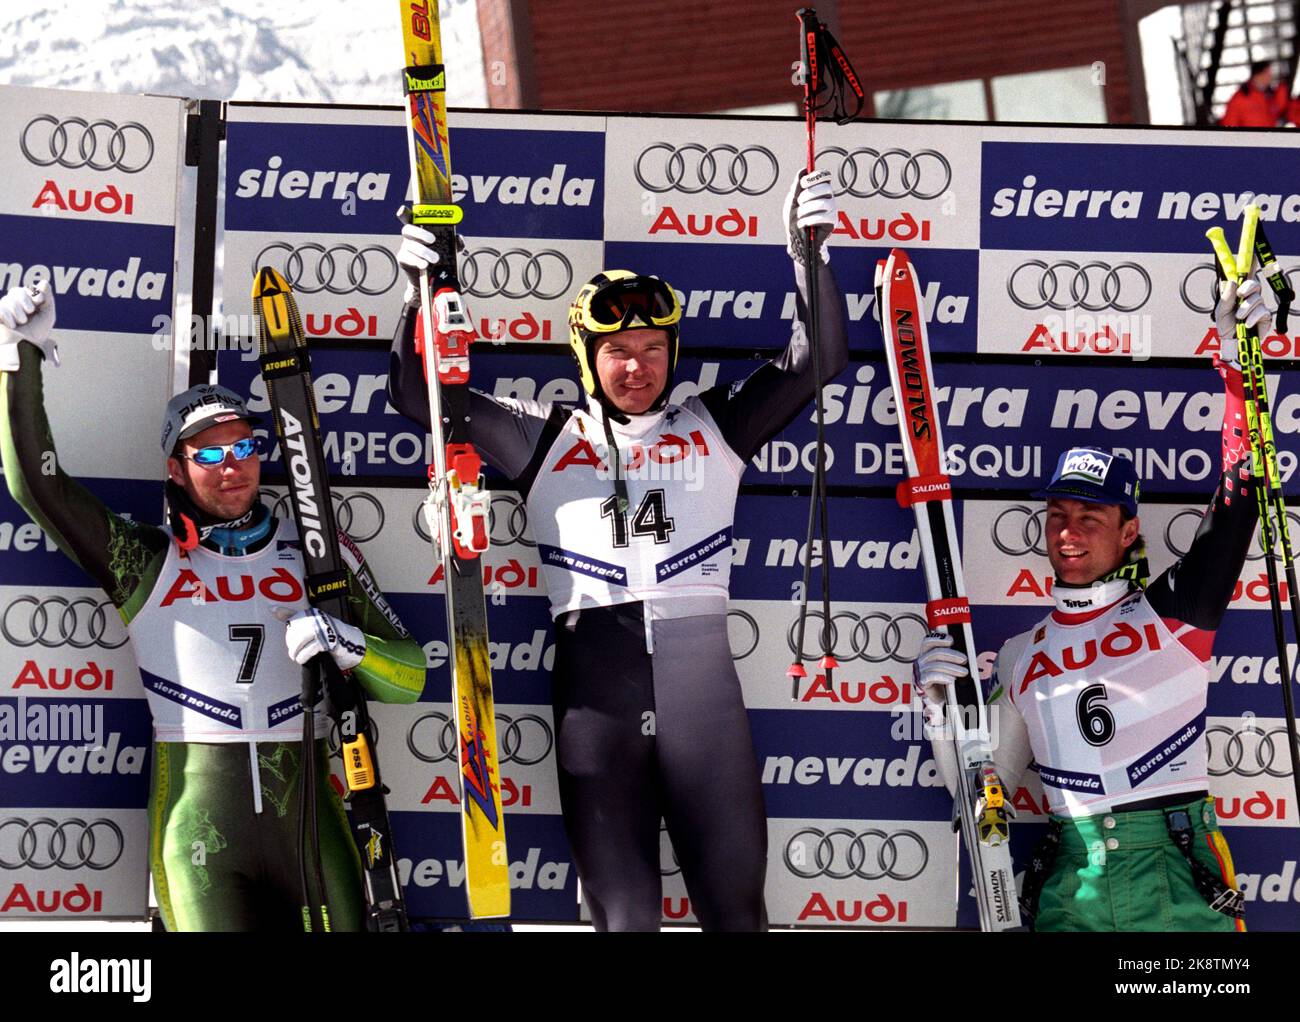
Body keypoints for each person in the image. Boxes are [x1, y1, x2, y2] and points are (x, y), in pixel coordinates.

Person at [388, 171, 848, 931]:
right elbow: (421, 395)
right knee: (626, 918)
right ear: (586, 357)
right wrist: (421, 288)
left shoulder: (717, 423)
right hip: (597, 691)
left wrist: (808, 257)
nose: (636, 368)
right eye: (617, 352)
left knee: (736, 913)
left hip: (702, 695)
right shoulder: (544, 435)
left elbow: (817, 360)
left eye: (651, 349)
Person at [0, 282, 426, 931]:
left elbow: (411, 679)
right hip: (199, 835)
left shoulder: (316, 549)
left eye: (244, 449)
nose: (232, 467)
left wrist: (350, 646)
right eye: (210, 454)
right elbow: (38, 488)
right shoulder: (143, 558)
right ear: (176, 468)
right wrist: (18, 356)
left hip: (309, 825)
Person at [913, 277, 1271, 931]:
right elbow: (979, 792)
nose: (1069, 533)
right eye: (1057, 515)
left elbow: (1241, 497)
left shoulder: (1175, 611)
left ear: (1129, 530)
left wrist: (1239, 372)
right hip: (1069, 876)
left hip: (1175, 862)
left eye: (1090, 517)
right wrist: (938, 713)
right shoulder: (1021, 654)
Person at [1220, 59, 1296, 127]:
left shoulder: (1268, 96)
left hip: (1268, 139)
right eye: (1267, 73)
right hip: (1249, 141)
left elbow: (1279, 109)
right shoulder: (1240, 98)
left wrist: (1282, 89)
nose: (1270, 77)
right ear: (1258, 74)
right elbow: (1229, 124)